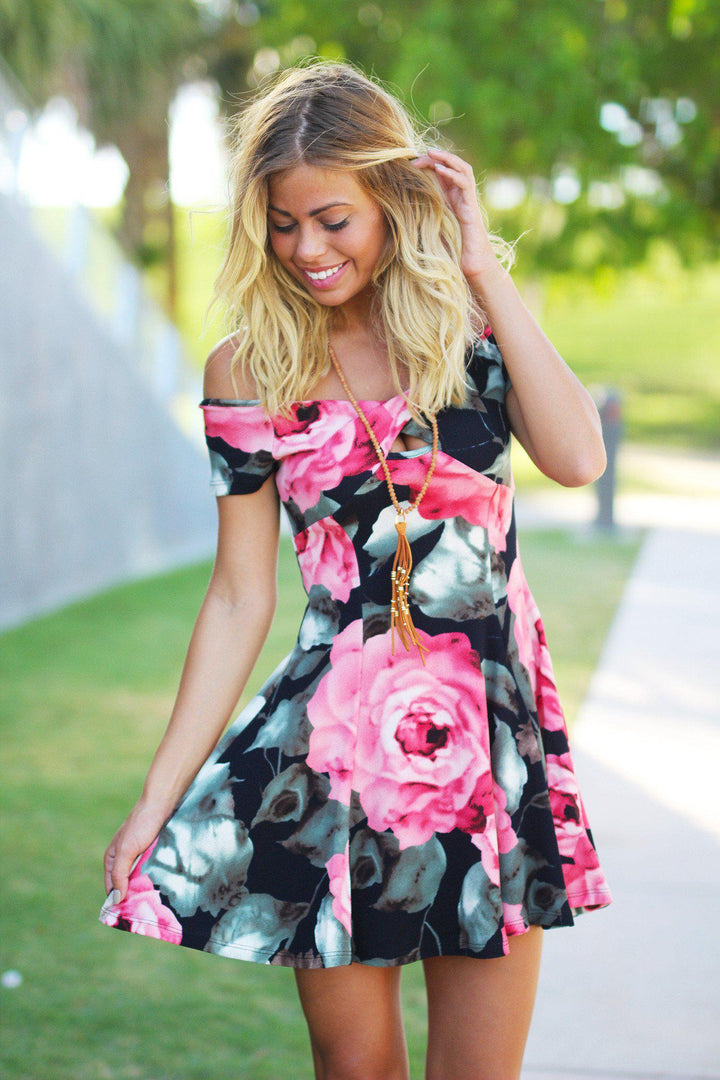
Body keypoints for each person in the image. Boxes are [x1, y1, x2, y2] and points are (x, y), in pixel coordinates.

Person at [99, 59, 612, 1079]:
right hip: (330, 755)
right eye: (284, 225)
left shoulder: (472, 337)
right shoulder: (249, 369)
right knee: (356, 1071)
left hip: (488, 752)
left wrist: (483, 266)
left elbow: (578, 458)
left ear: (392, 195)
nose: (307, 250)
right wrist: (157, 795)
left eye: (332, 220)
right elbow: (242, 593)